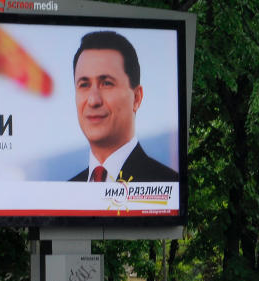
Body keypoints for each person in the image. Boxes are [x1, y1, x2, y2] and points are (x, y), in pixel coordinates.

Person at [69, 31, 179, 183]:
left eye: (107, 83)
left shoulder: (168, 182)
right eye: (84, 85)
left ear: (136, 98)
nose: (93, 100)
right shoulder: (66, 192)